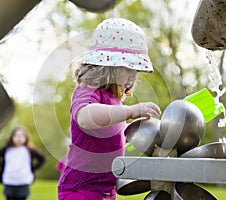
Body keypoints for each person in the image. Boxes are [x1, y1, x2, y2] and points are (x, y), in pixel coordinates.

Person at [58, 18, 161, 200]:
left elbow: (108, 134)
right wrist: (129, 111)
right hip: (81, 189)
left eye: (135, 72)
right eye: (128, 69)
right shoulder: (87, 90)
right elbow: (84, 117)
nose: (132, 76)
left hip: (104, 191)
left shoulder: (114, 100)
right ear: (108, 67)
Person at [0, 126, 45, 200]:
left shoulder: (29, 150)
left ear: (26, 138)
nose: (19, 138)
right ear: (12, 137)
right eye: (16, 136)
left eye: (21, 136)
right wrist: (2, 166)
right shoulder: (7, 149)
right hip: (9, 181)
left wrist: (32, 168)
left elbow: (42, 159)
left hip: (23, 181)